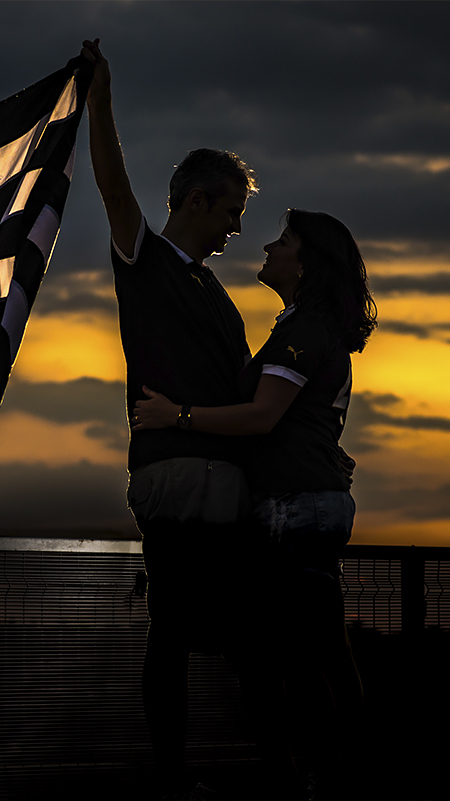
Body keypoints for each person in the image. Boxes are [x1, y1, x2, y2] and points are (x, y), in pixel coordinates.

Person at [133, 209, 377, 798]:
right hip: (307, 504)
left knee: (297, 657)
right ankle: (330, 772)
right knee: (314, 650)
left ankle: (329, 776)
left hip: (294, 511)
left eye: (284, 241)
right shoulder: (308, 328)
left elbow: (263, 417)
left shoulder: (301, 332)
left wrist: (178, 416)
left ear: (306, 263)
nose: (268, 246)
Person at [81, 38, 264, 799]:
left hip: (223, 479)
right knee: (183, 631)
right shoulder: (145, 260)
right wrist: (99, 97)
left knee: (236, 633)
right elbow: (115, 188)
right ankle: (176, 776)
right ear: (194, 201)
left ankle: (260, 767)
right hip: (175, 476)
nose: (235, 228)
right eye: (230, 211)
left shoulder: (220, 300)